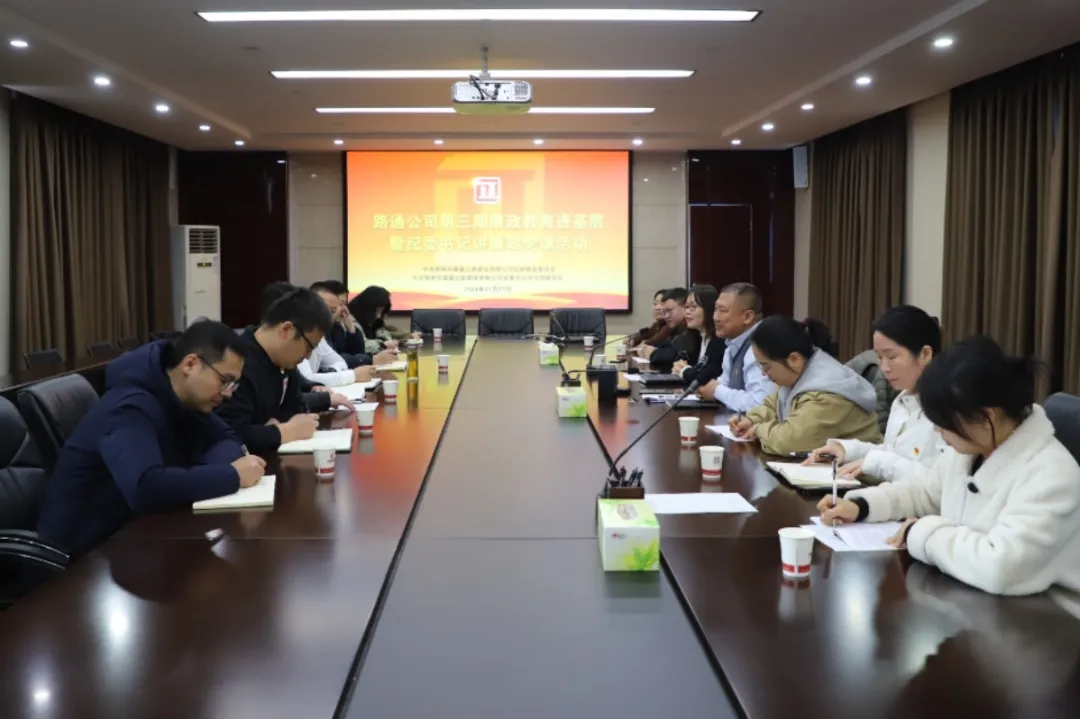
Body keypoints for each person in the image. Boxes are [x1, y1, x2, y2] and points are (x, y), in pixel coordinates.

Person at [818, 337, 1080, 596]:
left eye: (944, 423)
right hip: (973, 598)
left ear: (986, 417)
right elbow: (924, 492)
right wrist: (861, 506)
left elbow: (1001, 567)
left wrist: (920, 533)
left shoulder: (1050, 475)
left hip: (1044, 614)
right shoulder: (971, 450)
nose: (937, 431)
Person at [36, 321, 267, 555]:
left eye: (232, 385)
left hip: (137, 536)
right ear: (190, 364)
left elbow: (228, 437)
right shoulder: (129, 406)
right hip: (82, 555)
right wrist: (230, 476)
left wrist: (206, 474)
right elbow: (144, 487)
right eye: (224, 381)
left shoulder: (187, 399)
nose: (227, 394)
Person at [806, 305, 945, 481]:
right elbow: (892, 453)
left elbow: (938, 482)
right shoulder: (903, 400)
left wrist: (875, 463)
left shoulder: (947, 410)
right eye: (879, 357)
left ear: (925, 354)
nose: (884, 367)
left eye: (892, 357)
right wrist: (847, 450)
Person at [216, 283, 351, 455]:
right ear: (286, 330)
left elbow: (294, 407)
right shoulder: (238, 362)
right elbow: (231, 435)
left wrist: (274, 426)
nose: (308, 356)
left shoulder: (284, 361)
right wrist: (283, 432)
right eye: (309, 347)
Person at [730, 315, 881, 454]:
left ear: (794, 359)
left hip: (858, 471)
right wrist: (751, 420)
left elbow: (789, 442)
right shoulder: (795, 374)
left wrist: (759, 430)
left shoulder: (828, 393)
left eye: (766, 366)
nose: (763, 373)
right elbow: (773, 406)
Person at [698, 282, 775, 411]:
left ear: (747, 317)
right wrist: (709, 389)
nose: (716, 317)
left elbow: (759, 404)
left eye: (723, 311)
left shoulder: (760, 345)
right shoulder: (732, 343)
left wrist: (717, 391)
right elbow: (726, 385)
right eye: (715, 309)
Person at [672, 285, 725, 386]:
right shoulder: (696, 336)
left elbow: (705, 377)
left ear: (709, 309)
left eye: (693, 307)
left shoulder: (719, 340)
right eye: (686, 307)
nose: (687, 312)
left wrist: (684, 370)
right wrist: (680, 367)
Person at [638, 287, 692, 368]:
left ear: (684, 307)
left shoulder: (691, 328)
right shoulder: (676, 328)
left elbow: (679, 356)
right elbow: (665, 346)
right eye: (664, 312)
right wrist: (650, 349)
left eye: (669, 310)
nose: (666, 316)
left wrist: (653, 353)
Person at [348, 285, 397, 353]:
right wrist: (382, 345)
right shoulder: (350, 320)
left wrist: (387, 341)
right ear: (368, 307)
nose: (378, 316)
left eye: (381, 310)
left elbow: (384, 335)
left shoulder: (372, 319)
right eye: (377, 310)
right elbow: (361, 346)